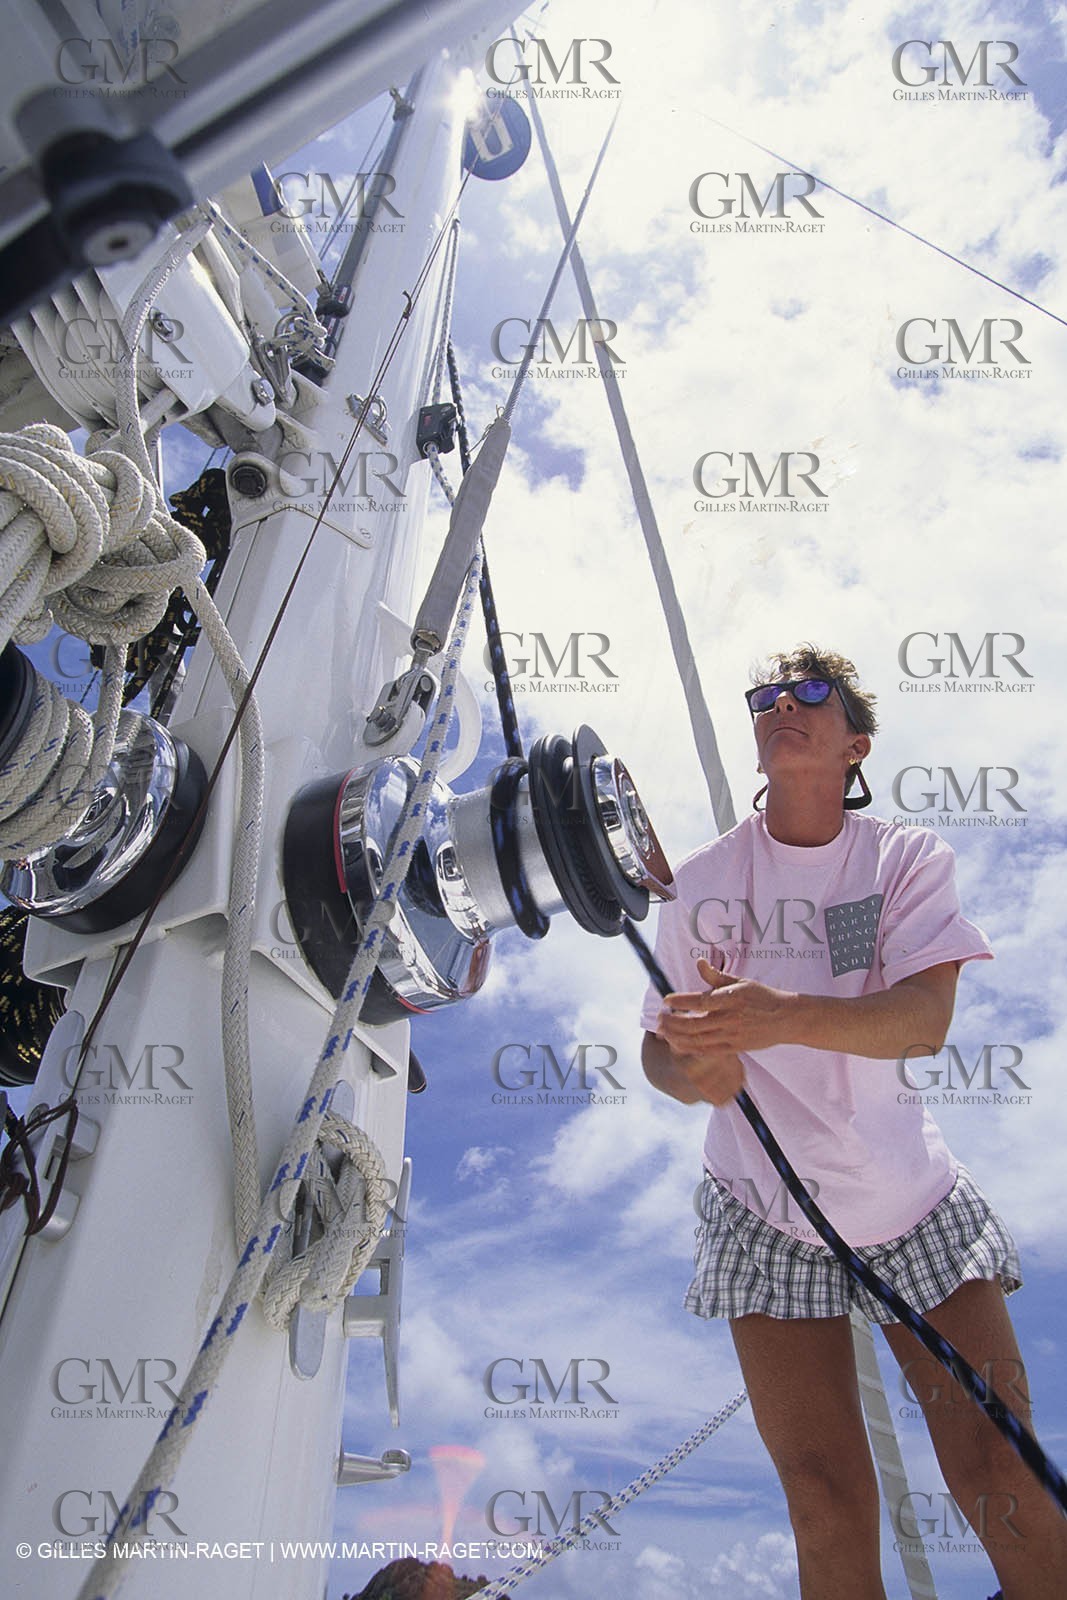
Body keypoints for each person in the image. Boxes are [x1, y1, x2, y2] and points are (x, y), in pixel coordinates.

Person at [640, 644, 1066, 1600]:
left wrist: (777, 1016)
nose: (782, 705)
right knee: (822, 1500)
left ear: (854, 746)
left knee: (1000, 1472)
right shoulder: (697, 884)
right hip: (760, 1213)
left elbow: (922, 1018)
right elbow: (661, 1050)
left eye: (811, 694)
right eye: (766, 697)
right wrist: (691, 1069)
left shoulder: (904, 860)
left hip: (911, 1197)